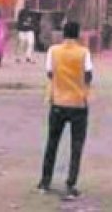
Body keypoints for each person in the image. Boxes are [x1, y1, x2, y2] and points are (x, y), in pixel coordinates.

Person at [37, 21, 94, 200]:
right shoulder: (84, 52)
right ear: (78, 34)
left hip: (58, 102)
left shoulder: (53, 51)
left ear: (63, 34)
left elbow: (49, 73)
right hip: (78, 103)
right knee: (76, 146)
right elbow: (88, 74)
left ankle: (45, 181)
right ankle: (70, 183)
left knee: (52, 143)